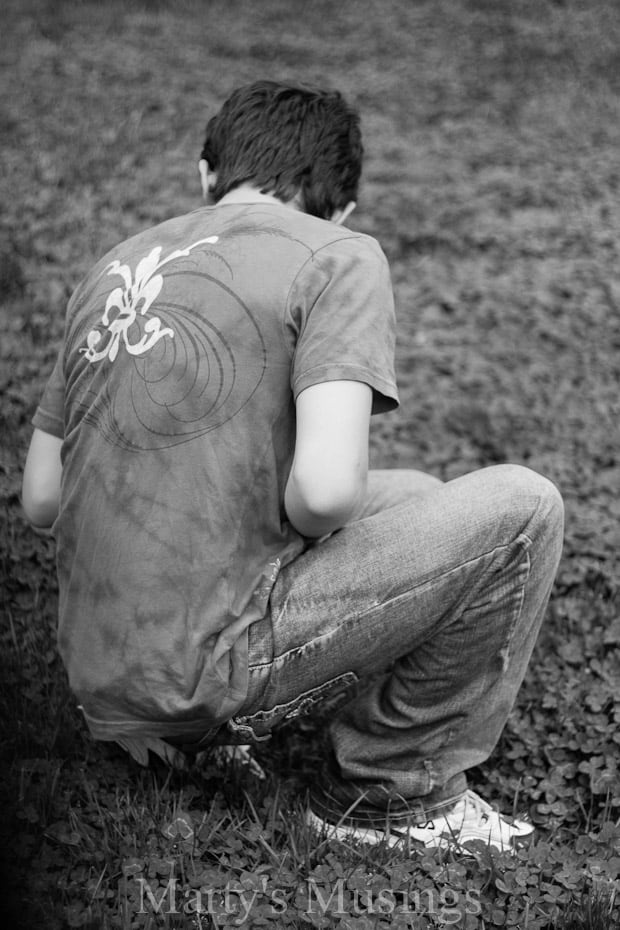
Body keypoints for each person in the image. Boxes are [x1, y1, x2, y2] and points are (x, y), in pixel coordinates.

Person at [22, 80, 564, 852]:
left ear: (206, 174)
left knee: (414, 495)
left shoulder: (115, 266)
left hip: (101, 680)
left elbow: (43, 498)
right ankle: (388, 793)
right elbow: (323, 494)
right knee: (522, 509)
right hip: (203, 673)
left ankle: (172, 735)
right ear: (340, 206)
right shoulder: (338, 256)